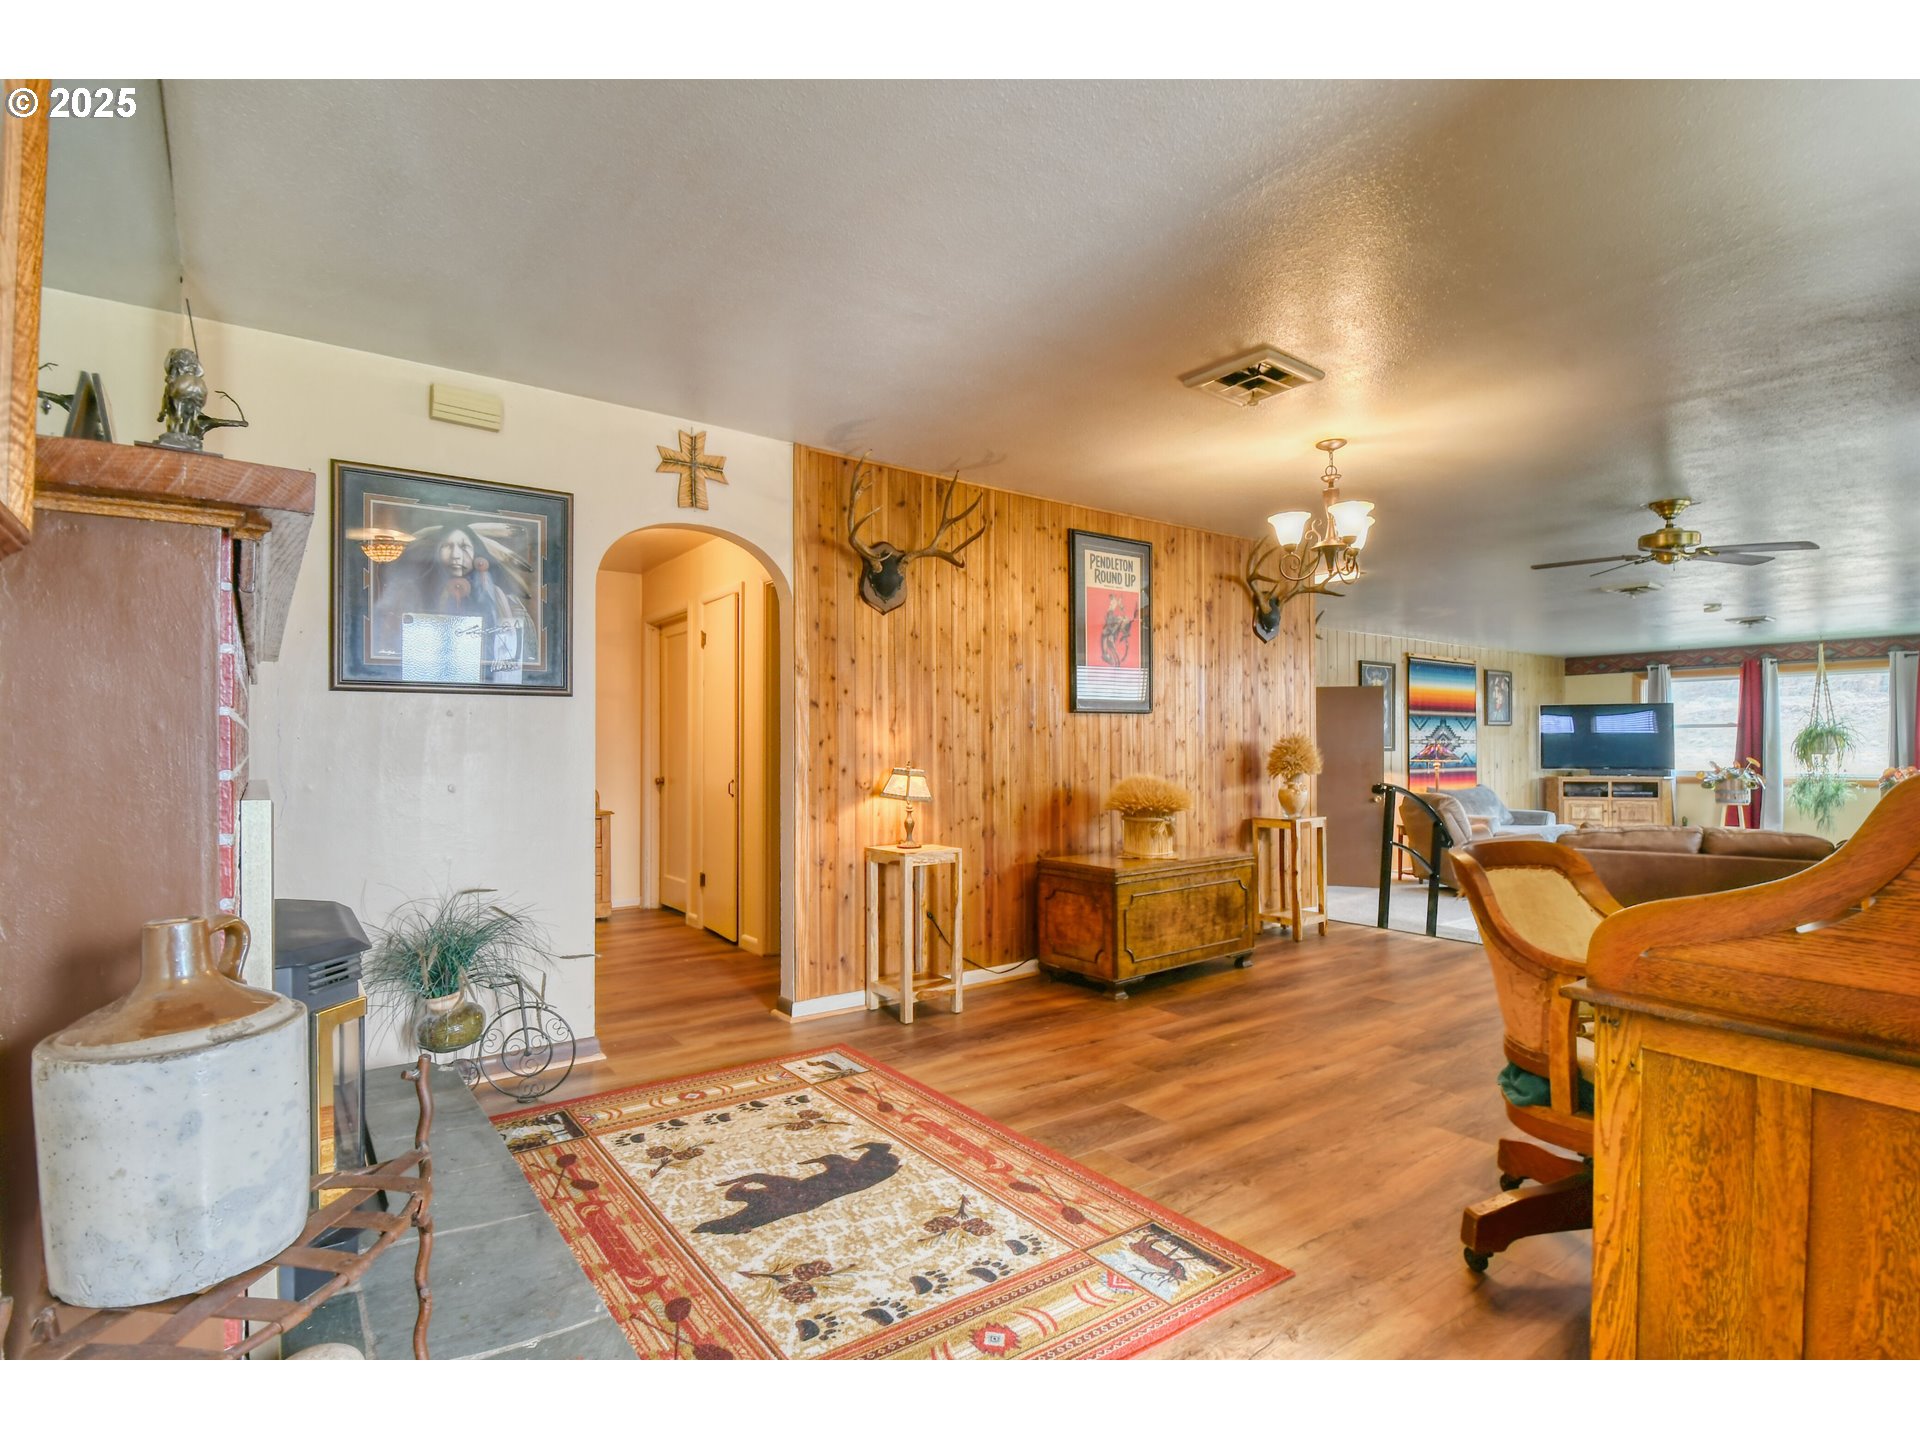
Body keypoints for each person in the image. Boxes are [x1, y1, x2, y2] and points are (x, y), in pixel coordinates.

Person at [371, 521, 531, 683]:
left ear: (476, 554)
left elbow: (510, 654)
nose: (456, 555)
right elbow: (389, 644)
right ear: (436, 552)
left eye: (464, 547)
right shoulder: (410, 593)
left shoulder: (497, 597)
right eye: (447, 546)